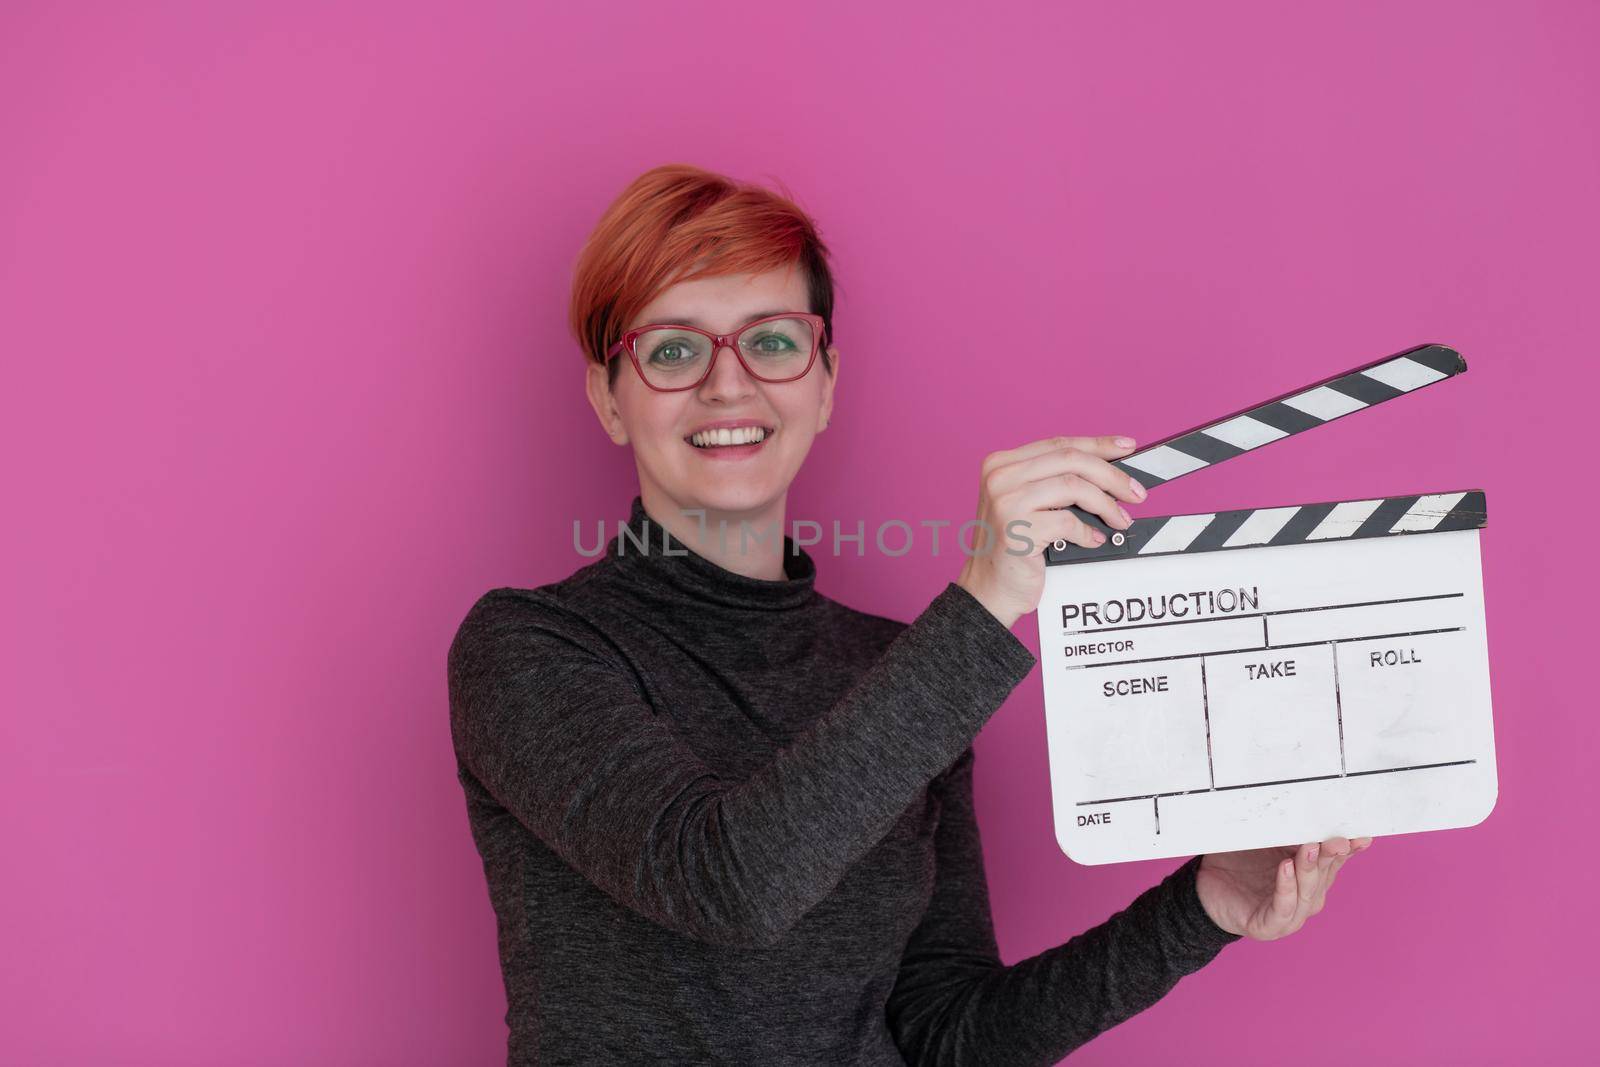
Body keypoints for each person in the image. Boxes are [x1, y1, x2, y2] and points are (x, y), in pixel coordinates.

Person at [446, 163, 1372, 1065]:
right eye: (673, 349)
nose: (728, 386)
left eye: (771, 340)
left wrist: (1200, 909)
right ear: (608, 399)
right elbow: (727, 881)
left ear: (826, 381)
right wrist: (985, 599)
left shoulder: (892, 669)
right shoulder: (528, 649)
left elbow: (947, 1033)